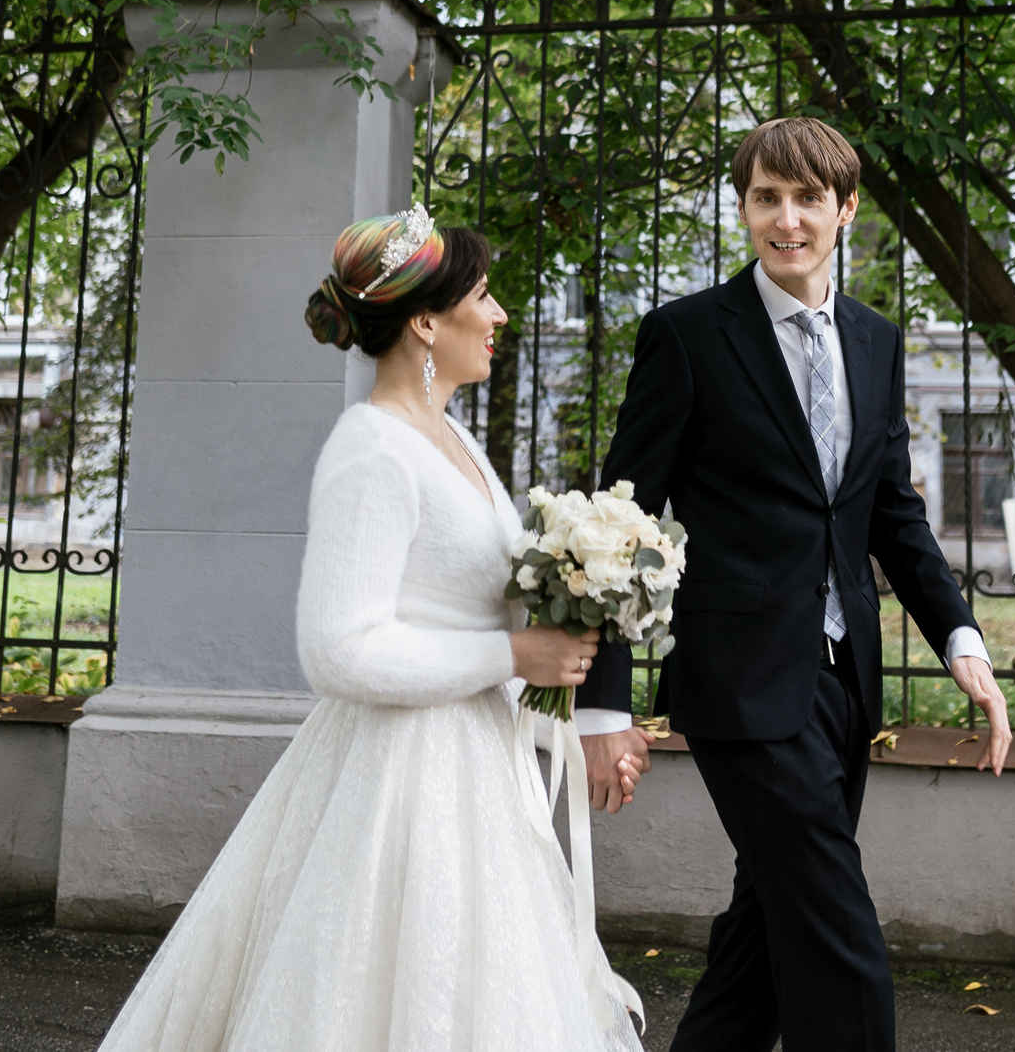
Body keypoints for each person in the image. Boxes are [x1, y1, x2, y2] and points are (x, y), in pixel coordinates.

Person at [96, 204, 642, 1052]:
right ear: (426, 320)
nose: (499, 316)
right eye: (486, 297)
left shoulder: (452, 437)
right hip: (399, 785)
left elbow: (452, 610)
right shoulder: (373, 448)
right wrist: (514, 650)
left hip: (477, 773)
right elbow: (339, 648)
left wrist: (567, 703)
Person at [575, 117, 1012, 1052]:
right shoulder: (688, 336)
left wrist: (962, 641)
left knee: (766, 932)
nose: (786, 218)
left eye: (807, 198)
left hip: (841, 682)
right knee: (837, 939)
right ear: (743, 209)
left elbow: (890, 511)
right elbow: (619, 526)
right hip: (738, 681)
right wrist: (601, 709)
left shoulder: (875, 341)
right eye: (765, 197)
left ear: (844, 210)